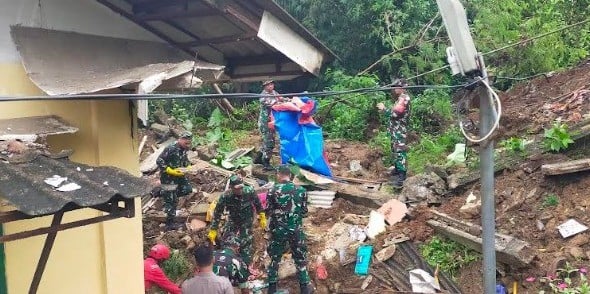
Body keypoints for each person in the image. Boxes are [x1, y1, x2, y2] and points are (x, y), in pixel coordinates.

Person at [266, 165, 313, 294]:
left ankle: (271, 288)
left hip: (279, 230)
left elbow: (268, 211)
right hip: (296, 230)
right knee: (300, 258)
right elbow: (304, 212)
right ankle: (304, 288)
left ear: (279, 174)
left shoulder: (272, 191)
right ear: (289, 175)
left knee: (275, 258)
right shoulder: (301, 190)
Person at [208, 174, 266, 267]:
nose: (240, 190)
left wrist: (262, 216)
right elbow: (217, 213)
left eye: (241, 187)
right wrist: (213, 229)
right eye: (237, 188)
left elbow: (258, 204)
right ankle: (226, 263)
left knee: (245, 242)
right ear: (231, 187)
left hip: (247, 220)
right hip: (233, 219)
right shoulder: (225, 196)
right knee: (227, 240)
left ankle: (244, 266)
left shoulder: (249, 191)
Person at [377, 78, 411, 188]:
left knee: (400, 151)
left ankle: (402, 176)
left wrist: (384, 109)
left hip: (400, 131)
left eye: (397, 86)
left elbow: (395, 114)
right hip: (395, 130)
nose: (395, 88)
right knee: (395, 150)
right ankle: (397, 170)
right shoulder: (400, 98)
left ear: (402, 88)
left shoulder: (404, 98)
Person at [156, 131, 193, 231]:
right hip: (168, 178)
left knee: (188, 189)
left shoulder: (184, 149)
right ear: (180, 139)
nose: (188, 143)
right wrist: (169, 170)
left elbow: (185, 160)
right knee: (171, 200)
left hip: (179, 176)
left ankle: (164, 192)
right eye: (186, 141)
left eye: (189, 141)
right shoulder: (171, 148)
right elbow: (159, 160)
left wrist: (189, 166)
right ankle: (169, 223)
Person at [258, 80, 288, 170]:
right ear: (265, 87)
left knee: (268, 141)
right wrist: (283, 104)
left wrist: (291, 100)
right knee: (269, 142)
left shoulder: (274, 92)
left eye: (272, 84)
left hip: (273, 121)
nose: (271, 86)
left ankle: (259, 158)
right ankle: (266, 163)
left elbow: (281, 98)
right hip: (265, 123)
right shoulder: (263, 96)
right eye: (268, 85)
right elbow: (272, 105)